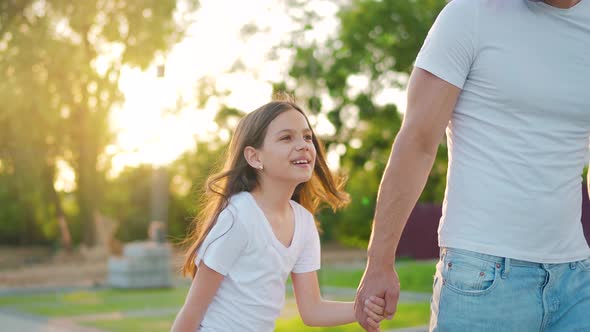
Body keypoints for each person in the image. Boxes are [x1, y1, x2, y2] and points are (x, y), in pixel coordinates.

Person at [354, 0, 590, 330]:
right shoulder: (470, 14)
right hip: (482, 274)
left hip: (578, 278)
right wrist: (379, 261)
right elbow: (418, 141)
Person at [171, 98, 386, 332]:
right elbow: (192, 312)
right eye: (286, 138)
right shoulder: (238, 217)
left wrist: (361, 309)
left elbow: (312, 310)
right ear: (254, 157)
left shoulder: (304, 223)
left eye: (307, 137)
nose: (303, 145)